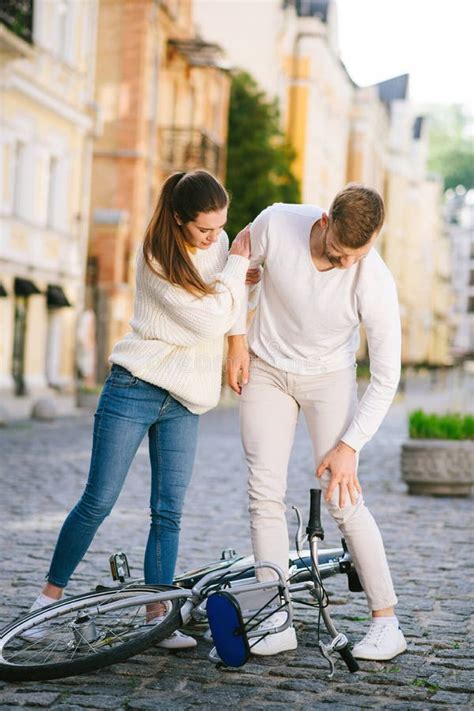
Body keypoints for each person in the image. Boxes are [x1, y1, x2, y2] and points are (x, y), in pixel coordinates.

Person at [26, 169, 252, 648]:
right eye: (204, 230)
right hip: (135, 386)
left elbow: (233, 306)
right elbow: (210, 313)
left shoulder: (222, 243)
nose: (215, 237)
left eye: (220, 227)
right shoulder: (155, 255)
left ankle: (157, 613)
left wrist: (237, 347)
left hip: (185, 398)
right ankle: (46, 601)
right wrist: (235, 269)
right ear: (178, 218)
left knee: (168, 511)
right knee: (98, 501)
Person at [226, 184, 407, 661]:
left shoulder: (373, 277)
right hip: (266, 370)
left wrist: (350, 445)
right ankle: (274, 619)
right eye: (340, 253)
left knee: (344, 498)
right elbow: (233, 265)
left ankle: (387, 623)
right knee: (263, 493)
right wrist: (237, 339)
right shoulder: (277, 222)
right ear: (324, 220)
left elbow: (388, 375)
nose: (347, 264)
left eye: (358, 255)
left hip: (329, 379)